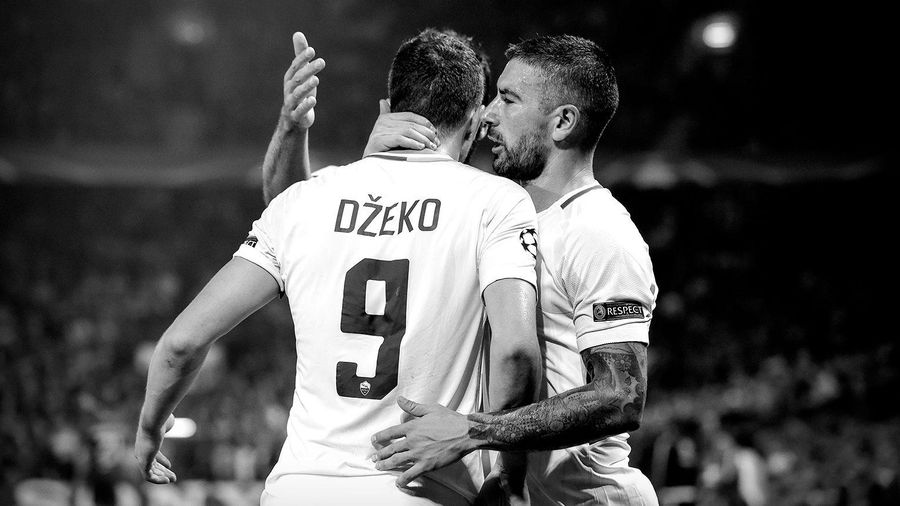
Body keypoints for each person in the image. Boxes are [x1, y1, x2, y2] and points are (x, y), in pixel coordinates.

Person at [133, 29, 543, 506]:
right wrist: (509, 476)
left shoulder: (306, 201)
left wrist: (149, 429)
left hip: (298, 491)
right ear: (474, 121)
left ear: (387, 109)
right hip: (418, 491)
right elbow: (516, 354)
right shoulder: (495, 200)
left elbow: (180, 344)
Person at [263, 33, 660, 505]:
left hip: (587, 498)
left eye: (507, 99)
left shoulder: (598, 231)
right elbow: (295, 225)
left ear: (563, 122)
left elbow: (621, 395)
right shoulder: (493, 209)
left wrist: (476, 431)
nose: (487, 114)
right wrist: (377, 162)